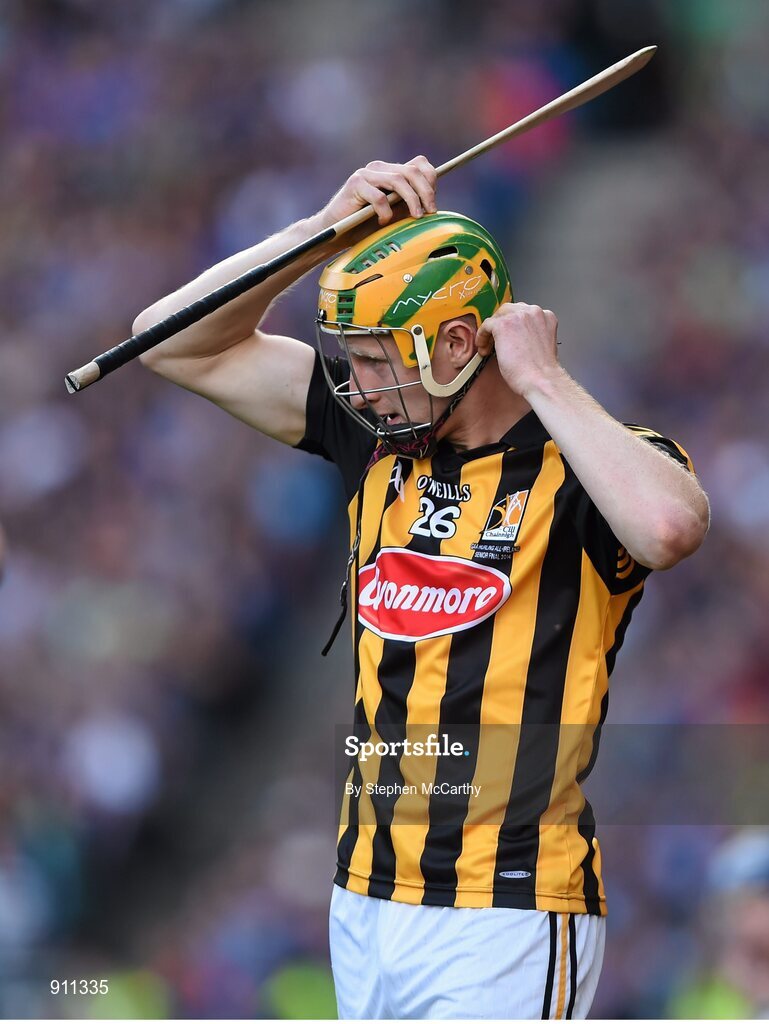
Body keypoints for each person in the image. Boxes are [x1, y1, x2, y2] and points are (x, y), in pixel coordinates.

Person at [134, 158, 709, 1019]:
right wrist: (318, 231)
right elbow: (168, 337)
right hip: (363, 897)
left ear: (454, 344)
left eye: (375, 360)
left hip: (504, 909)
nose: (357, 385)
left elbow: (669, 526)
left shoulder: (583, 468)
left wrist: (542, 378)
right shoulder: (373, 438)